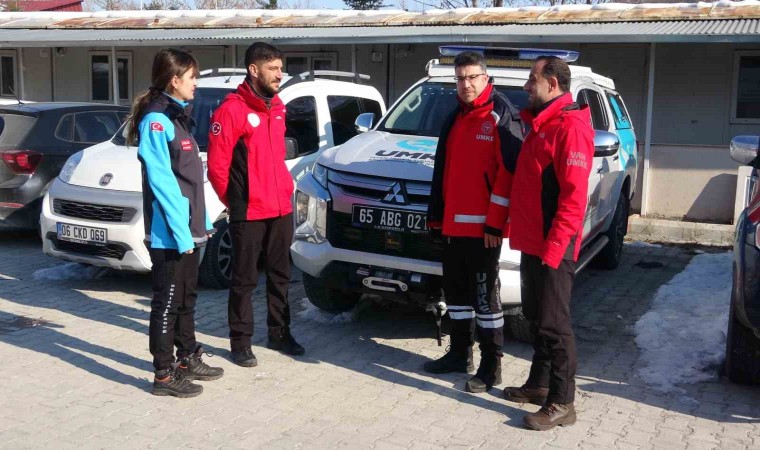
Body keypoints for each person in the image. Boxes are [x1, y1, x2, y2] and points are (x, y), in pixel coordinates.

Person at [502, 56, 594, 430]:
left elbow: (573, 199)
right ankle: (539, 385)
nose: (527, 86)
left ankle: (562, 402)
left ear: (552, 84)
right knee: (537, 318)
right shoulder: (542, 124)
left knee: (555, 325)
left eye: (532, 79)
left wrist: (554, 249)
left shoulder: (570, 128)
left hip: (554, 245)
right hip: (533, 242)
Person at [425, 50, 523, 393]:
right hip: (452, 227)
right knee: (456, 295)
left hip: (484, 232)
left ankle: (491, 366)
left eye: (471, 77)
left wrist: (495, 224)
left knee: (485, 300)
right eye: (460, 78)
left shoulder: (500, 115)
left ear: (485, 78)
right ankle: (459, 354)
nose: (465, 84)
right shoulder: (456, 117)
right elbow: (444, 172)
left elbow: (508, 174)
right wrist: (437, 218)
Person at [130, 48, 223, 398]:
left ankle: (186, 357)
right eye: (192, 77)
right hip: (169, 233)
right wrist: (183, 232)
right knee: (167, 303)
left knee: (186, 297)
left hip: (187, 230)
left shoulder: (178, 116)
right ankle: (164, 375)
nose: (196, 83)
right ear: (174, 79)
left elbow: (190, 179)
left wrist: (202, 222)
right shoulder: (156, 121)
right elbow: (163, 182)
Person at [207, 42, 304, 368]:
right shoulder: (231, 110)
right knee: (244, 279)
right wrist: (237, 200)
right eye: (272, 69)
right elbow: (217, 168)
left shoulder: (278, 107)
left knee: (280, 276)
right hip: (249, 211)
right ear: (253, 70)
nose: (279, 74)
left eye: (280, 68)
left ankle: (279, 333)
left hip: (280, 209)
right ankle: (240, 342)